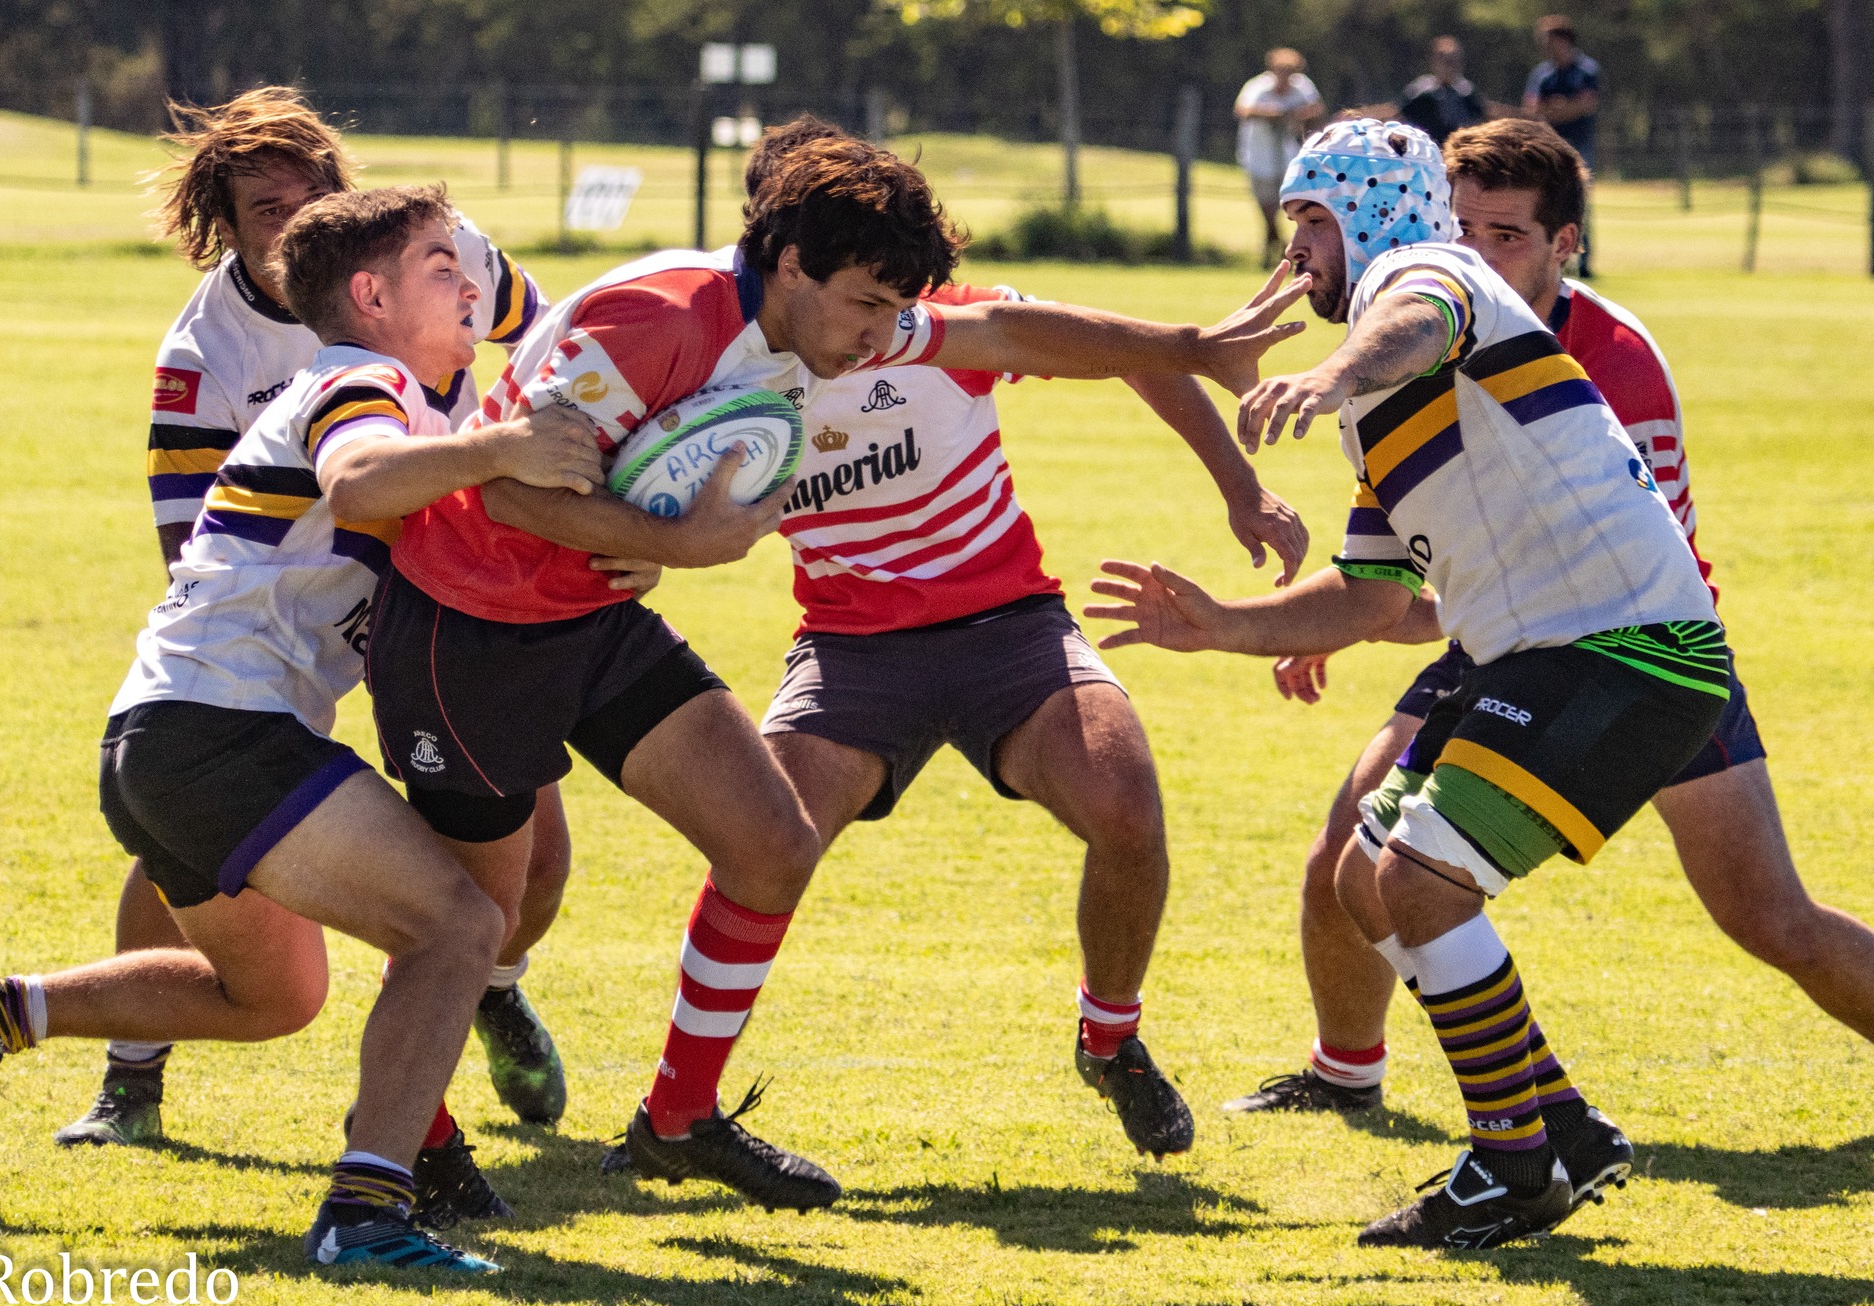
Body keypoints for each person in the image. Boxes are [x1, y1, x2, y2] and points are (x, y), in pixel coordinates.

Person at [367, 134, 1309, 1209]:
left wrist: (1192, 345)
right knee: (468, 922)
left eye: (891, 311)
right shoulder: (650, 318)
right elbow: (497, 488)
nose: (880, 336)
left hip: (653, 619)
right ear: (790, 262)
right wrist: (677, 543)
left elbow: (1004, 328)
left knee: (781, 839)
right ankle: (416, 1142)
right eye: (864, 304)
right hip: (479, 623)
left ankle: (681, 1118)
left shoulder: (848, 326)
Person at [0, 186, 611, 1272]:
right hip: (219, 731)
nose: (470, 282)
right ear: (368, 297)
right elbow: (359, 476)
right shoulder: (356, 381)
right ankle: (367, 1217)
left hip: (161, 738)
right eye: (437, 267)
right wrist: (504, 447)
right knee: (457, 928)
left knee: (273, 997)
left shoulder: (424, 410)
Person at [1090, 119, 1727, 1248]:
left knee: (1425, 880)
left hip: (1625, 645)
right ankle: (1561, 1126)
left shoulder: (1432, 278)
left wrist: (1328, 368)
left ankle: (1508, 1166)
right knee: (1367, 876)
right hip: (1538, 649)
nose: (1294, 253)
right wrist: (1219, 627)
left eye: (1309, 221)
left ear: (1367, 210)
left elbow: (1412, 316)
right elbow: (1372, 597)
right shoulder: (1380, 408)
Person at [1224, 117, 1874, 1119]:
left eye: (1506, 235)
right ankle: (1362, 1074)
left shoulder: (1590, 348)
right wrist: (1307, 620)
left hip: (1618, 643)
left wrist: (1337, 372)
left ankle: (1537, 1135)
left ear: (1561, 244)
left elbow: (1597, 555)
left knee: (1768, 919)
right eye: (1462, 224)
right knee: (1352, 858)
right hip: (1500, 638)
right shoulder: (1398, 339)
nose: (1474, 250)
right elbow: (1392, 580)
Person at [733, 117, 1307, 1159]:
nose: (872, 312)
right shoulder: (726, 369)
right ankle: (680, 1108)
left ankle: (1111, 1038)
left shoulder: (942, 330)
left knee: (1125, 808)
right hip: (850, 649)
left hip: (1009, 632)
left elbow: (1138, 356)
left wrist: (1241, 490)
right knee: (759, 843)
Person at [72, 86, 584, 1171]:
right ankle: (133, 1075)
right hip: (283, 640)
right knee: (191, 826)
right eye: (267, 210)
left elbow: (556, 347)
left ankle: (485, 995)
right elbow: (196, 544)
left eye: (314, 199)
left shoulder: (428, 256)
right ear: (225, 219)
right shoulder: (204, 355)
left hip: (446, 590)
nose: (294, 223)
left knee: (534, 858)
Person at [1523, 15, 1600, 275]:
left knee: (1580, 204)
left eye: (1549, 41)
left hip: (1579, 147)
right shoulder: (1543, 74)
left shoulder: (1586, 70)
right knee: (1550, 204)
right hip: (1550, 149)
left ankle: (1584, 261)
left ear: (1563, 40)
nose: (1545, 47)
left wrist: (1555, 109)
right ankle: (1556, 259)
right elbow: (1532, 109)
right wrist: (1565, 107)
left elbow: (1587, 105)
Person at [1235, 49, 1325, 266]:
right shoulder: (1257, 87)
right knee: (1266, 206)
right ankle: (1278, 242)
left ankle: (1278, 251)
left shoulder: (1302, 87)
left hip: (1288, 156)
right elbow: (1243, 110)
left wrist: (1297, 115)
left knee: (1291, 204)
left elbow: (1316, 110)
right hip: (1258, 155)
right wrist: (1274, 113)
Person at [1389, 38, 1498, 146]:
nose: (1451, 67)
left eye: (1455, 62)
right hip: (1426, 153)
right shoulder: (1419, 93)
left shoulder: (1468, 94)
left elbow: (1485, 118)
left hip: (1459, 152)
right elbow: (1395, 115)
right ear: (1434, 62)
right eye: (1446, 62)